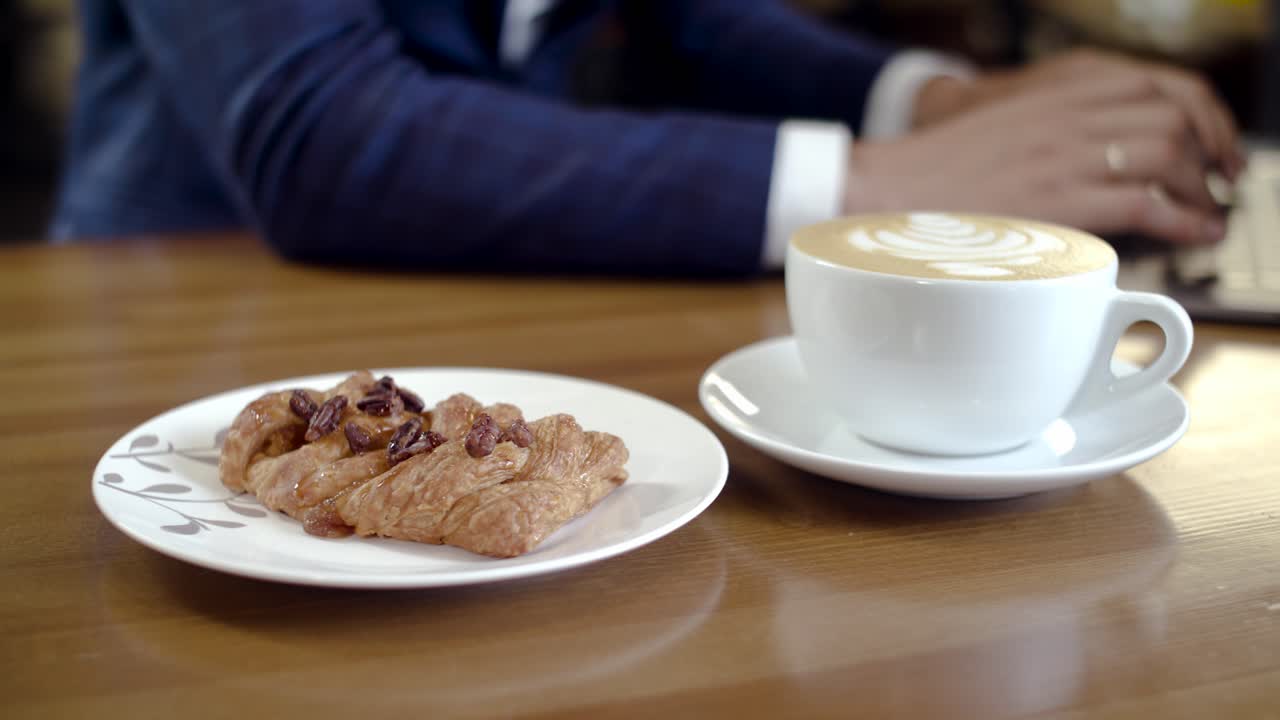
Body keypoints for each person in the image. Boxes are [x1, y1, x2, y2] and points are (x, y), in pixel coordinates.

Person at [53, 0, 1242, 275]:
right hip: (189, 298)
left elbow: (674, 16)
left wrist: (928, 103)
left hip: (498, 290)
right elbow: (320, 127)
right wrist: (873, 183)